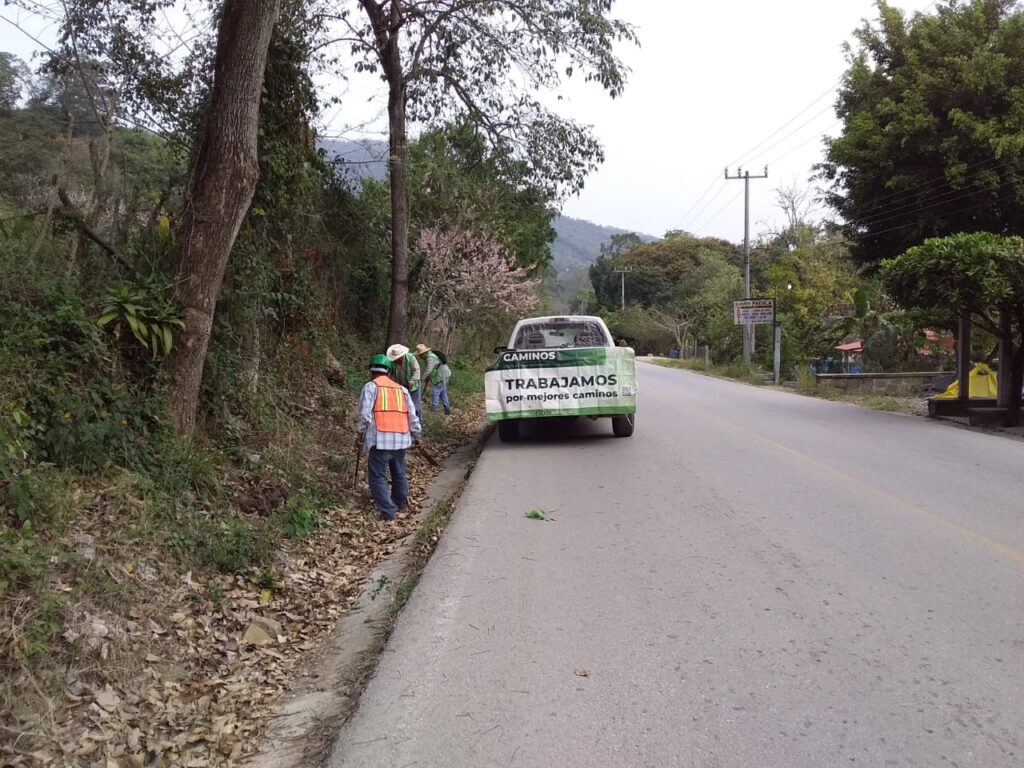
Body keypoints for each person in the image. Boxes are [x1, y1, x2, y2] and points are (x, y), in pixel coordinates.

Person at [355, 354, 422, 521]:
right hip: (401, 438)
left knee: (378, 475)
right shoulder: (402, 390)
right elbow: (412, 416)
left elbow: (364, 415)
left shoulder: (371, 387)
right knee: (399, 472)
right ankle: (401, 503)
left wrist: (360, 434)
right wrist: (416, 434)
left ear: (371, 372)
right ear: (390, 373)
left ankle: (388, 511)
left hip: (380, 439)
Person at [386, 343, 423, 420]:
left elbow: (417, 370)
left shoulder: (410, 358)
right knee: (403, 405)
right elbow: (390, 373)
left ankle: (419, 423)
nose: (396, 360)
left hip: (413, 386)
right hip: (401, 386)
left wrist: (412, 381)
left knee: (415, 406)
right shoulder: (393, 362)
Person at [415, 343, 452, 414]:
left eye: (420, 355)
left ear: (424, 353)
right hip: (444, 374)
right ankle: (447, 408)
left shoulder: (431, 358)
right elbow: (432, 369)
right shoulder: (430, 356)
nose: (420, 357)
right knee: (443, 393)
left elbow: (428, 369)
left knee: (435, 392)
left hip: (442, 376)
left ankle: (434, 408)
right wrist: (427, 377)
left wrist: (422, 379)